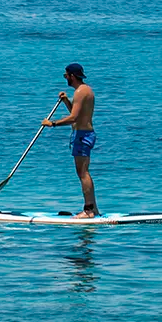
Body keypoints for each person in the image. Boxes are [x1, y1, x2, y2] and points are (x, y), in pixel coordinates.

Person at [42, 63, 98, 217]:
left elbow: (74, 118)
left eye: (66, 75)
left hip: (82, 135)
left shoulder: (81, 92)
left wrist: (52, 123)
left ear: (72, 76)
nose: (65, 78)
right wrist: (67, 100)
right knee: (83, 172)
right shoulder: (86, 90)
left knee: (83, 173)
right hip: (84, 133)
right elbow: (77, 113)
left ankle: (89, 210)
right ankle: (93, 209)